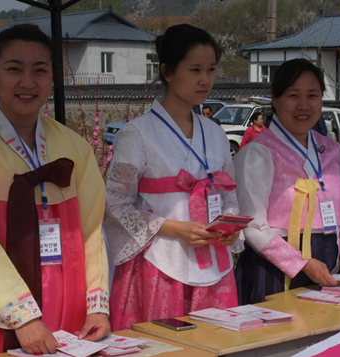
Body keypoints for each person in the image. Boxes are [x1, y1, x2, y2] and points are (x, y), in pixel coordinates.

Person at [0, 24, 110, 357]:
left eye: (40, 71)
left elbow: (91, 232)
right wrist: (22, 316)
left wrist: (97, 304)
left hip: (66, 305)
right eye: (14, 69)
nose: (28, 82)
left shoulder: (74, 148)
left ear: (53, 79)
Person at [104, 24, 242, 331]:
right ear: (167, 71)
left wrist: (230, 226)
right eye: (194, 69)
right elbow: (114, 204)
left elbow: (228, 196)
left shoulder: (216, 133)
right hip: (159, 266)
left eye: (211, 69)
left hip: (214, 265)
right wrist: (175, 228)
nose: (205, 79)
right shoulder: (136, 134)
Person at [233, 58, 340, 305]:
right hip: (273, 270)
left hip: (328, 267)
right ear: (274, 98)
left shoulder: (332, 150)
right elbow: (252, 225)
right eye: (293, 95)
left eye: (312, 95)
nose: (304, 105)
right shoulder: (258, 153)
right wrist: (300, 262)